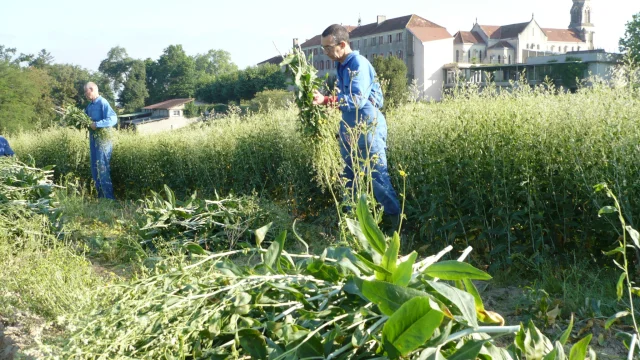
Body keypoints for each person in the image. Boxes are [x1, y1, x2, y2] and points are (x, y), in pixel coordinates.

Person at [312, 24, 401, 219]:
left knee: (377, 178)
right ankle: (354, 223)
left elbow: (357, 99)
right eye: (323, 48)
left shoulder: (357, 63)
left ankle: (396, 225)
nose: (325, 52)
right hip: (350, 126)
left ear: (342, 44)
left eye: (328, 47)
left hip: (368, 126)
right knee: (350, 178)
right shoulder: (342, 65)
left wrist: (326, 100)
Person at [84, 82, 117, 199]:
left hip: (103, 141)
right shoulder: (90, 106)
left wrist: (97, 124)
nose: (85, 95)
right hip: (94, 140)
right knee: (95, 168)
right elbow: (85, 118)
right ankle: (100, 197)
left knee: (102, 167)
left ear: (92, 89)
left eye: (86, 92)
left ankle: (109, 199)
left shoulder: (103, 102)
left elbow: (113, 119)